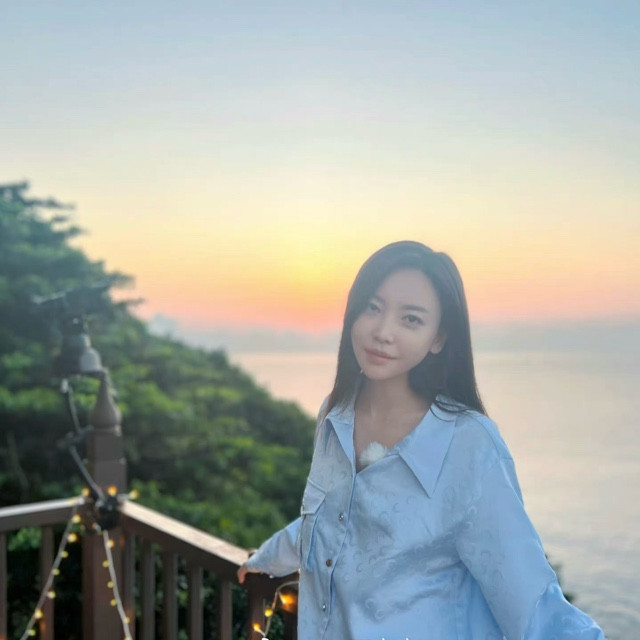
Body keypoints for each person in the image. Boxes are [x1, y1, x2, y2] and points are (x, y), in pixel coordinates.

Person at [238, 241, 604, 639]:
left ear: (438, 338)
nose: (383, 332)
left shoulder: (467, 445)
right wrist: (267, 557)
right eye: (372, 308)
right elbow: (331, 520)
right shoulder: (336, 414)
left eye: (410, 319)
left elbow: (532, 604)